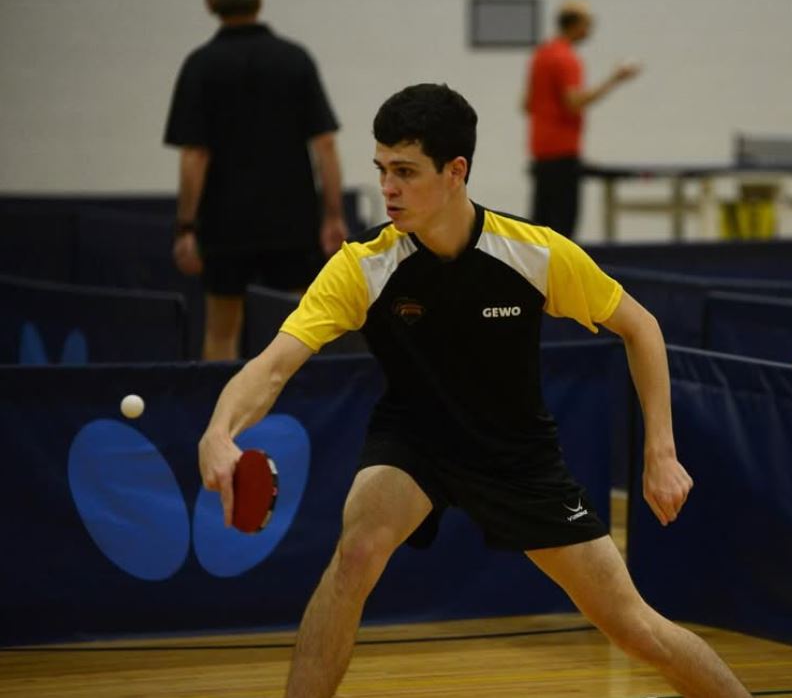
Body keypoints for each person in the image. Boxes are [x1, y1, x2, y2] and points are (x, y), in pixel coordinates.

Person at [199, 84, 752, 697]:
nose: (388, 188)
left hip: (517, 457)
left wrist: (661, 451)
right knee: (355, 557)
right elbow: (274, 365)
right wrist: (220, 431)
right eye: (382, 170)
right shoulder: (365, 266)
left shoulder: (532, 254)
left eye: (405, 172)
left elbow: (640, 327)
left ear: (455, 171)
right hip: (415, 442)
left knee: (631, 627)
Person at [164, 0, 347, 361]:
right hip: (292, 220)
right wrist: (333, 215)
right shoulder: (295, 60)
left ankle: (223, 420)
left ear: (210, 2)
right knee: (300, 329)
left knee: (221, 332)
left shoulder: (200, 66)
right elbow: (326, 146)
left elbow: (195, 155)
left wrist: (186, 227)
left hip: (225, 224)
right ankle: (299, 418)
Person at [524, 0, 641, 238]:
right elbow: (574, 102)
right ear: (575, 24)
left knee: (540, 229)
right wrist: (615, 79)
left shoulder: (541, 55)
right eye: (588, 24)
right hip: (562, 155)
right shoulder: (566, 59)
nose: (590, 30)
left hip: (541, 153)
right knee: (563, 232)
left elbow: (526, 104)